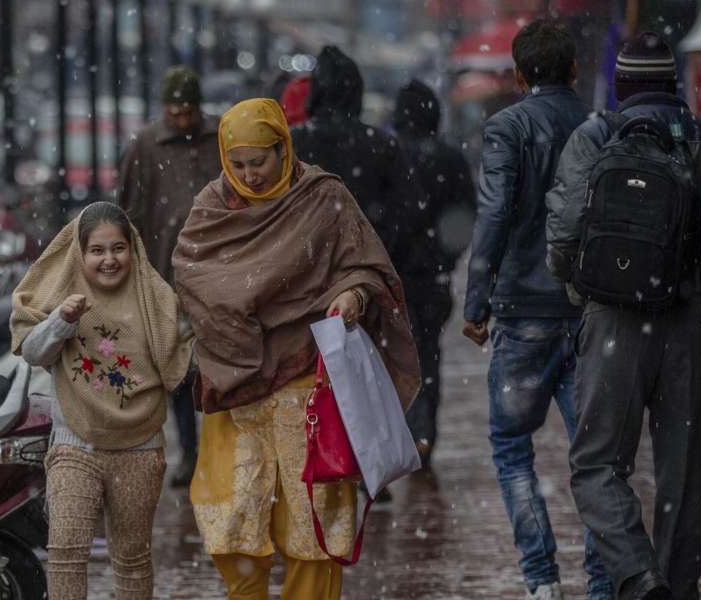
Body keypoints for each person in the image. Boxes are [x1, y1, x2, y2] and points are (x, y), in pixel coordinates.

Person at [545, 31, 701, 600]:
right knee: (681, 478)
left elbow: (563, 235)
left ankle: (639, 575)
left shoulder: (594, 136)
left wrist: (585, 289)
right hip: (689, 326)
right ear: (673, 84)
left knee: (597, 466)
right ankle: (676, 587)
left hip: (613, 323)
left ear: (621, 86)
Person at [173, 98, 419, 600]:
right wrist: (237, 305)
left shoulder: (322, 197)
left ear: (283, 148)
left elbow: (366, 266)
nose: (250, 175)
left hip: (306, 379)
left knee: (313, 522)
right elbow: (192, 273)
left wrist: (351, 295)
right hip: (234, 386)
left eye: (258, 161)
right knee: (233, 521)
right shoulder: (211, 207)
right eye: (237, 164)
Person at [461, 20, 613, 600]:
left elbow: (494, 215)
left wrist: (477, 303)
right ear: (574, 69)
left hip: (524, 311)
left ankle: (542, 581)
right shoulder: (599, 128)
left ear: (519, 75)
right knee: (597, 456)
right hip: (591, 307)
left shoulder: (508, 127)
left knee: (511, 449)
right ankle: (601, 582)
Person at [10, 202, 190, 600]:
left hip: (140, 448)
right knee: (66, 552)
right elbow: (35, 352)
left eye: (117, 249)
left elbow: (180, 360)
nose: (109, 260)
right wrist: (62, 320)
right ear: (80, 253)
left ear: (133, 250)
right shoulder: (63, 296)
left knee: (131, 558)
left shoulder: (155, 300)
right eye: (97, 250)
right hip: (75, 444)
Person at [117, 65, 221, 487]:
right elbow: (130, 209)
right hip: (167, 274)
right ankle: (191, 452)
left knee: (221, 364)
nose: (182, 119)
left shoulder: (220, 138)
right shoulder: (146, 145)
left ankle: (218, 448)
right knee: (178, 368)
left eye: (188, 112)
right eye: (174, 112)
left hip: (219, 274)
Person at [390, 79, 475, 470]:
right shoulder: (450, 158)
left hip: (396, 276)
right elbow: (465, 217)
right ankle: (424, 434)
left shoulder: (391, 153)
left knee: (393, 359)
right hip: (433, 278)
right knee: (428, 355)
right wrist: (445, 258)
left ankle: (405, 435)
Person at [291, 45, 407, 255]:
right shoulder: (382, 145)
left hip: (304, 268)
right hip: (365, 267)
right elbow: (402, 213)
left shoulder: (293, 141)